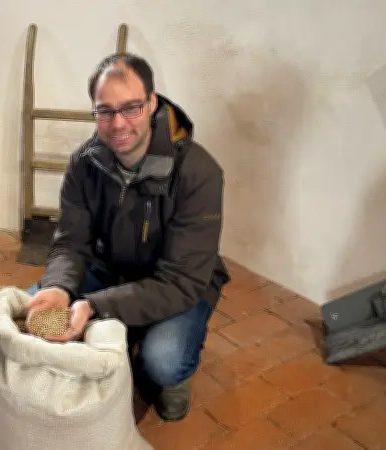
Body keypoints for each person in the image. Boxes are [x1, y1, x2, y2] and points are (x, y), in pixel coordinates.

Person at [24, 52, 231, 422]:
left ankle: (171, 372)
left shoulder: (199, 172)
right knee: (32, 307)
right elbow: (71, 242)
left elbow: (181, 281)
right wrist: (57, 286)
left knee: (163, 361)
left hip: (179, 283)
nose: (118, 123)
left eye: (131, 107)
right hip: (111, 268)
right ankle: (123, 330)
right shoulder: (84, 162)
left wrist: (95, 306)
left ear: (152, 102)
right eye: (105, 110)